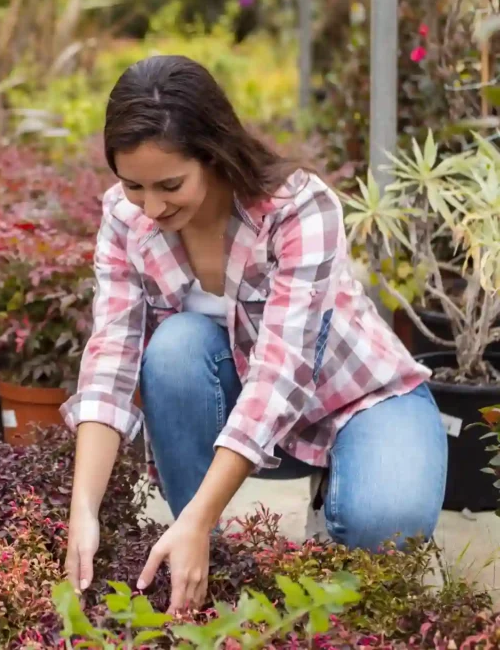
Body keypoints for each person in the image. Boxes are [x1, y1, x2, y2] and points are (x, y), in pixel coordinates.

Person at [60, 55, 447, 614]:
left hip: (360, 396)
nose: (151, 206)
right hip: (242, 406)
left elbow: (279, 375)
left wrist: (193, 515)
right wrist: (84, 512)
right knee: (172, 351)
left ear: (213, 155)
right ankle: (201, 558)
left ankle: (313, 500)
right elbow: (110, 357)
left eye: (170, 184)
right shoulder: (126, 217)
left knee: (386, 532)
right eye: (133, 185)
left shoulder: (297, 209)